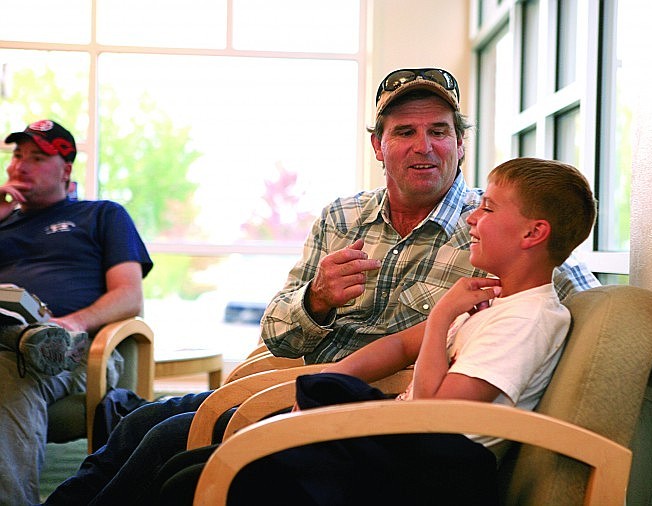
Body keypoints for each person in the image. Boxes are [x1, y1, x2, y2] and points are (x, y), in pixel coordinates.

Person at [44, 68, 600, 505]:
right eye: (404, 132)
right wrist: (317, 301)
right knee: (143, 419)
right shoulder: (343, 217)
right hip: (302, 384)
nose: (423, 146)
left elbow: (556, 277)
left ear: (460, 144)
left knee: (169, 446)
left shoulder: (492, 230)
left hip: (377, 421)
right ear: (379, 146)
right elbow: (278, 334)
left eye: (440, 131)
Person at [157, 156, 598, 505]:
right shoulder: (493, 299)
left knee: (191, 482)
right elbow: (403, 344)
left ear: (534, 233)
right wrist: (320, 388)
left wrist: (442, 315)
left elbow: (437, 420)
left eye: (487, 208)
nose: (471, 219)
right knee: (186, 465)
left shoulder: (525, 320)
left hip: (419, 474)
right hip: (396, 446)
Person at [0, 119, 153, 505]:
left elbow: (129, 296)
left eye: (37, 157)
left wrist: (70, 323)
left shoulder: (101, 214)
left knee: (14, 368)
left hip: (73, 348)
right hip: (10, 332)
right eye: (17, 155)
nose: (20, 165)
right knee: (14, 353)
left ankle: (36, 339)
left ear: (65, 170)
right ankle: (25, 339)